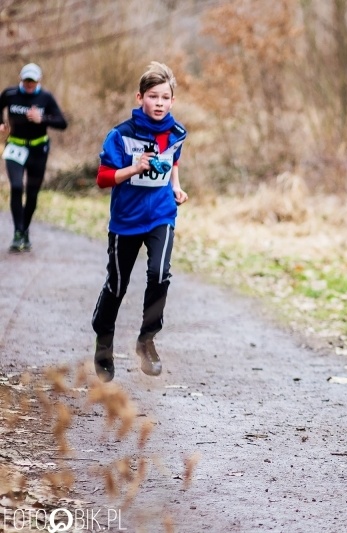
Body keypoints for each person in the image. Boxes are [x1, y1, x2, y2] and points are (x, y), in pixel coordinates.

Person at [91, 61, 188, 383]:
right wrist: (134, 169)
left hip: (161, 214)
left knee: (159, 273)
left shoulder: (176, 132)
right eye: (153, 96)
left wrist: (176, 186)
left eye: (165, 97)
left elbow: (173, 160)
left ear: (172, 101)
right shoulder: (120, 135)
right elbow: (103, 179)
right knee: (117, 285)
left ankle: (147, 340)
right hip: (126, 220)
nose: (159, 103)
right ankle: (103, 342)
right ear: (139, 98)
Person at [0, 63, 68, 252]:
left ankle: (25, 229)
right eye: (26, 80)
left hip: (38, 150)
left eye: (33, 81)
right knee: (15, 187)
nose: (29, 84)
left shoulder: (45, 97)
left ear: (39, 81)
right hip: (15, 146)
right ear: (21, 79)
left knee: (32, 194)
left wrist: (43, 119)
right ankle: (18, 232)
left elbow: (63, 123)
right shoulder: (10, 94)